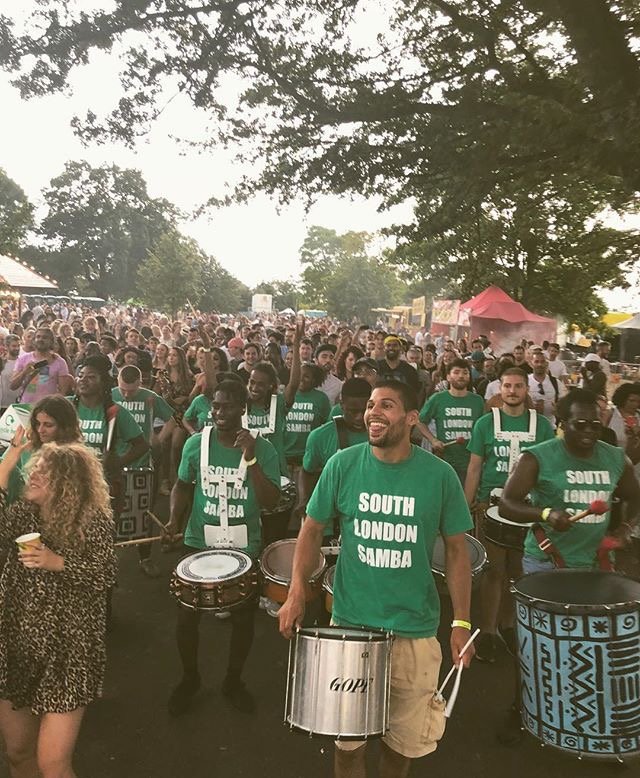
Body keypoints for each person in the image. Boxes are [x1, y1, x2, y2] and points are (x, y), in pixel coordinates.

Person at [279, 379, 474, 778]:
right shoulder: (343, 464)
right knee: (348, 747)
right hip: (352, 628)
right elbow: (312, 528)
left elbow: (457, 551)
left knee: (400, 748)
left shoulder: (439, 476)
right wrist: (297, 591)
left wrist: (461, 622)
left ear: (411, 418)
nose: (373, 412)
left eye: (387, 405)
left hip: (415, 631)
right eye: (371, 405)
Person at [0, 439, 116, 778]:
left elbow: (106, 572)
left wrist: (57, 562)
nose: (32, 475)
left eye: (43, 472)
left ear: (67, 482)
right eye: (33, 468)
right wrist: (8, 462)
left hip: (69, 655)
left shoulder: (91, 521)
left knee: (52, 764)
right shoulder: (23, 513)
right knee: (19, 753)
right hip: (17, 646)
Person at [163, 380, 281, 716]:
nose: (218, 412)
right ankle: (190, 678)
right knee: (187, 616)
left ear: (243, 408)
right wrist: (174, 520)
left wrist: (251, 459)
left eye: (227, 406)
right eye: (215, 406)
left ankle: (233, 680)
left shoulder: (264, 449)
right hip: (200, 542)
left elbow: (271, 501)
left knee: (243, 620)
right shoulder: (196, 444)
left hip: (245, 547)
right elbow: (182, 487)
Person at [464, 367, 554, 662]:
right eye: (507, 386)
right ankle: (488, 630)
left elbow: (548, 468)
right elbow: (475, 466)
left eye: (518, 386)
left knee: (519, 571)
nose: (512, 391)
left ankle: (509, 624)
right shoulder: (485, 423)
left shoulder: (541, 424)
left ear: (526, 389)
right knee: (493, 570)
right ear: (498, 390)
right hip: (491, 503)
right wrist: (466, 504)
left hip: (527, 505)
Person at [500, 388, 640, 573]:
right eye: (580, 424)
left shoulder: (617, 458)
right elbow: (506, 504)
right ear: (563, 425)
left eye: (595, 425)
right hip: (546, 561)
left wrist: (625, 528)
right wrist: (546, 514)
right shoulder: (534, 458)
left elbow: (635, 497)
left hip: (598, 562)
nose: (588, 431)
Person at [300, 377, 371, 533]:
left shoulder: (383, 436)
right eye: (353, 411)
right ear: (341, 405)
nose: (360, 417)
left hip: (370, 521)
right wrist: (306, 501)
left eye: (365, 410)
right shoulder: (320, 437)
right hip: (331, 523)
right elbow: (308, 471)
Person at [3, 396, 84, 505]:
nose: (40, 430)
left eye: (48, 425)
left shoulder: (73, 456)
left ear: (65, 427)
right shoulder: (25, 444)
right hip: (20, 506)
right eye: (37, 423)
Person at [417, 359, 484, 483]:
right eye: (456, 372)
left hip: (471, 463)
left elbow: (483, 429)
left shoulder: (478, 401)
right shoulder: (437, 399)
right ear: (448, 377)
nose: (461, 376)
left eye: (465, 373)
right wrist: (433, 440)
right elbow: (420, 422)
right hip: (445, 461)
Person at [10, 327, 74, 403]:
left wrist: (49, 404)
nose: (40, 339)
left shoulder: (59, 362)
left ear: (51, 341)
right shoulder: (23, 359)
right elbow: (12, 386)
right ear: (34, 340)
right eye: (38, 337)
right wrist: (24, 372)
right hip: (25, 407)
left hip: (47, 408)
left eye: (45, 337)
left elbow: (63, 392)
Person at [527, 352, 559, 428]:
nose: (539, 365)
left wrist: (557, 410)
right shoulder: (524, 381)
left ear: (547, 364)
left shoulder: (556, 383)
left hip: (550, 428)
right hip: (528, 427)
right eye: (536, 361)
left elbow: (565, 405)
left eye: (542, 362)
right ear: (531, 364)